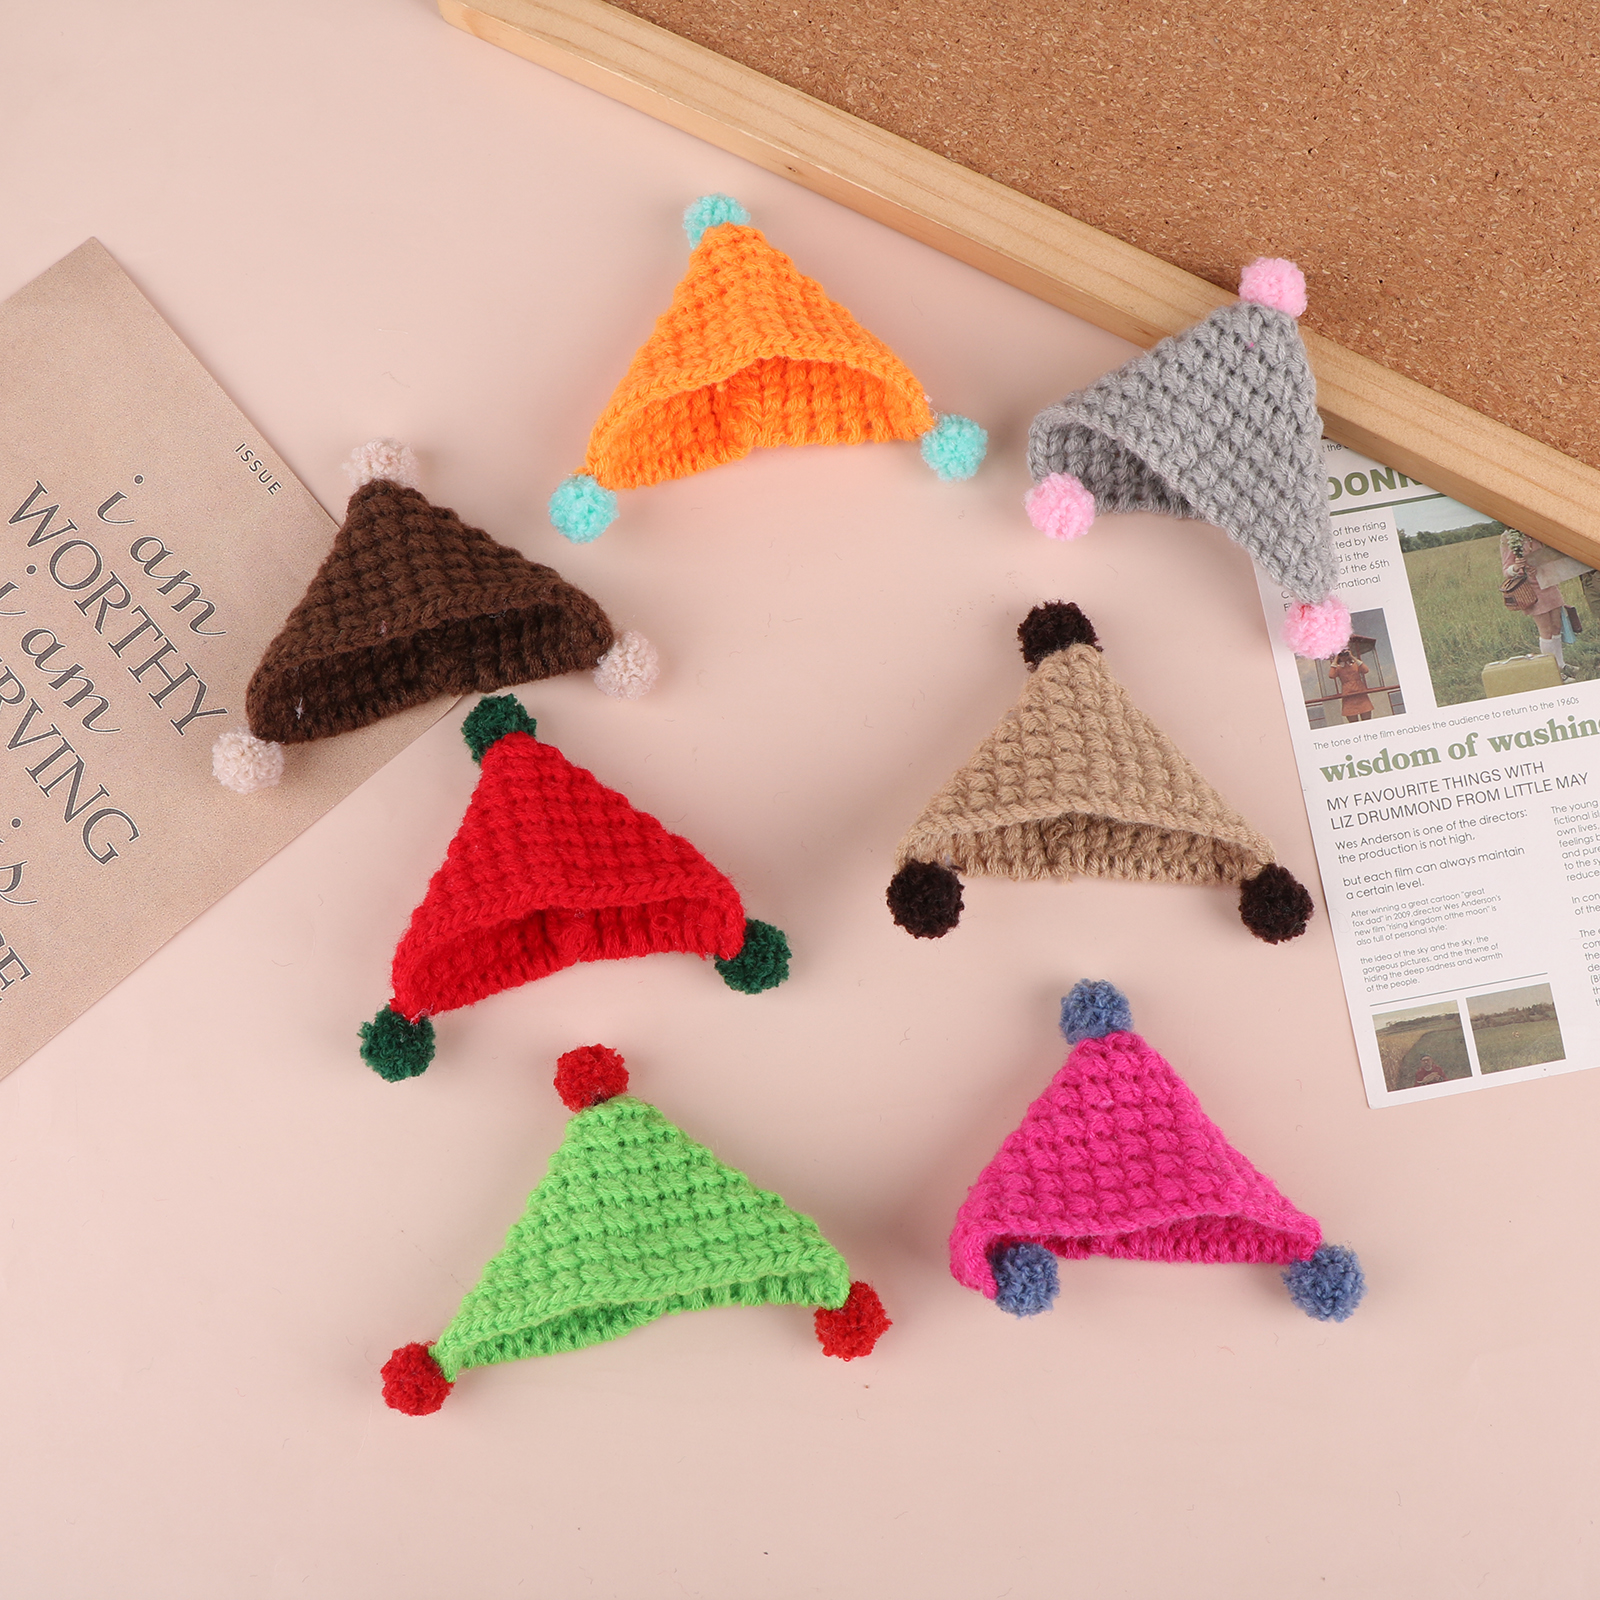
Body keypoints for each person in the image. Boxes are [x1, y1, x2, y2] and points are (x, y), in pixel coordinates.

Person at [1501, 527, 1584, 681]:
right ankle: (1552, 672)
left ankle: (1561, 664)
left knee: (1556, 626)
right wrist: (1516, 567)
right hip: (1531, 589)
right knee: (1546, 630)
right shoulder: (1509, 537)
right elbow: (1506, 570)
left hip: (1548, 582)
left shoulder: (1536, 529)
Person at [1329, 649, 1374, 721]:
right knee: (1353, 723)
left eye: (1346, 654)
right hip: (1348, 696)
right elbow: (1331, 675)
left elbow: (1365, 670)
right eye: (1341, 655)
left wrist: (1352, 657)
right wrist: (1336, 659)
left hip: (1361, 694)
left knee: (1367, 721)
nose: (1344, 656)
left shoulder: (1355, 665)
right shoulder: (1338, 668)